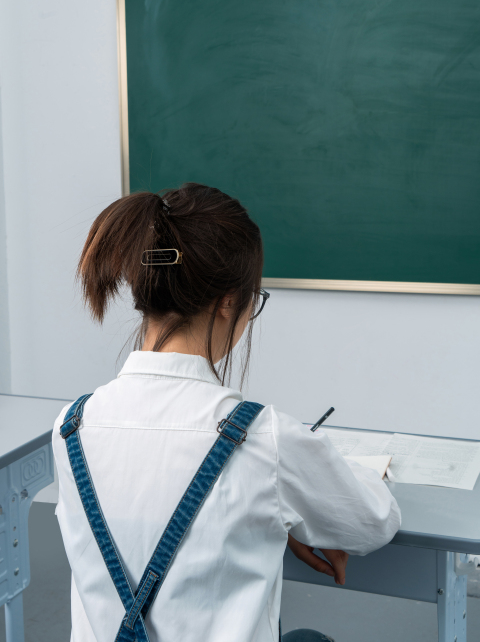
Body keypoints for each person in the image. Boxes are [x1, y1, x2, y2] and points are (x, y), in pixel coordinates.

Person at [53, 183, 401, 642]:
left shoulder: (71, 425)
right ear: (228, 302)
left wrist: (269, 511)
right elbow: (371, 524)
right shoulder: (263, 438)